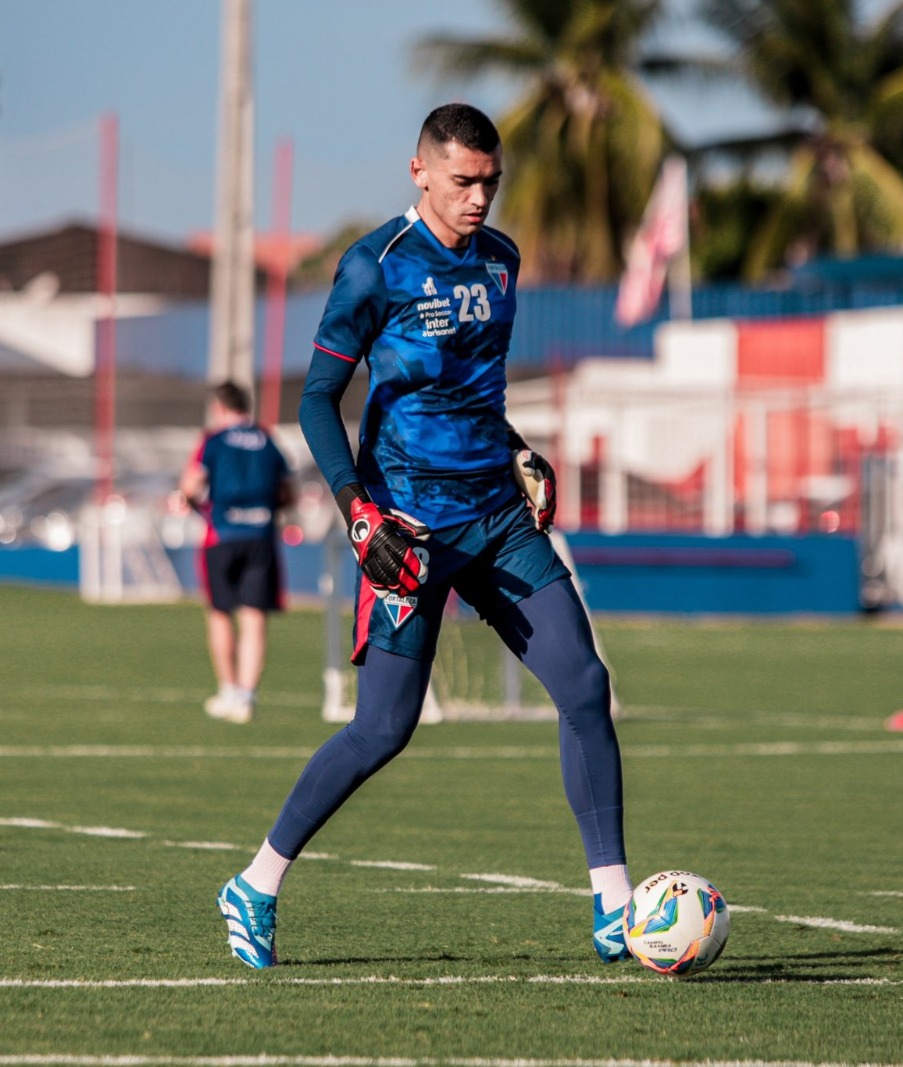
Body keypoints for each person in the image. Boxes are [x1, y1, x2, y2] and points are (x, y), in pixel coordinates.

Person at [216, 104, 629, 969]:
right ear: (421, 172)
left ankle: (615, 906)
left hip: (498, 520)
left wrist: (521, 453)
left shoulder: (504, 263)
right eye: (463, 180)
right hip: (407, 532)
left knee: (585, 684)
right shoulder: (375, 268)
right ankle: (255, 882)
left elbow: (479, 396)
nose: (479, 198)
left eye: (491, 182)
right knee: (383, 730)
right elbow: (314, 401)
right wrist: (357, 509)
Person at [179, 382, 293, 724]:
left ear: (219, 406)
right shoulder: (268, 440)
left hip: (222, 535)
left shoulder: (213, 441)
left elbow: (191, 485)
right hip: (260, 536)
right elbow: (289, 491)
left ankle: (228, 689)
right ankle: (246, 696)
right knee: (255, 616)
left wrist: (194, 504)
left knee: (219, 613)